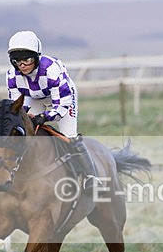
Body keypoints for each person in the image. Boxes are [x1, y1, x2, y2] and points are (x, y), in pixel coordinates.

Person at [6, 30, 100, 188]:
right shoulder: (11, 76)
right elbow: (16, 106)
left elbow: (61, 106)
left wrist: (44, 117)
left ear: (37, 57)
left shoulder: (52, 71)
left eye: (27, 60)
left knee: (70, 136)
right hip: (34, 96)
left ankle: (91, 176)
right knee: (27, 131)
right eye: (16, 61)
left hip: (62, 98)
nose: (22, 65)